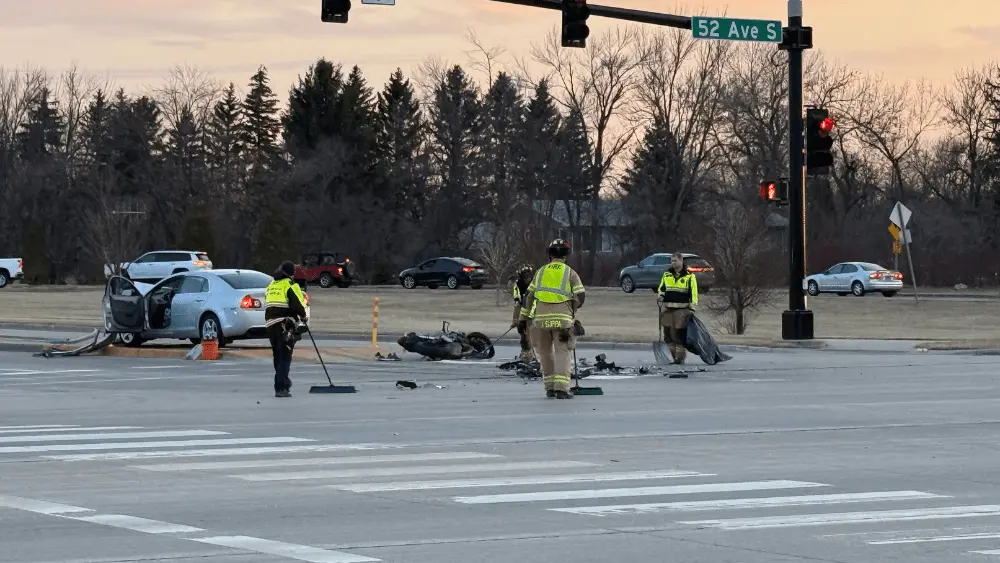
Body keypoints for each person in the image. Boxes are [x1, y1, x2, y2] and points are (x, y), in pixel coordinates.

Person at [519, 239, 586, 399]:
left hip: (541, 320)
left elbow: (529, 297)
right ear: (566, 255)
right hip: (562, 320)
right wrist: (574, 309)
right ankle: (561, 389)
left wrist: (523, 318)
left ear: (550, 255)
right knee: (562, 352)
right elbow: (581, 295)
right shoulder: (569, 272)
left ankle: (549, 388)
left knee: (545, 353)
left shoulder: (540, 272)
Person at [264, 261, 308, 397]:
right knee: (285, 356)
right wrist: (303, 316)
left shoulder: (271, 285)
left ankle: (284, 382)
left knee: (277, 355)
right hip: (284, 324)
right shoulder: (290, 285)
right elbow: (298, 304)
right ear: (292, 273)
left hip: (270, 324)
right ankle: (281, 387)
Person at [656, 251, 698, 365]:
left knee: (678, 334)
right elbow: (661, 288)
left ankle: (680, 358)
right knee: (668, 335)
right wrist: (660, 296)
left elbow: (694, 293)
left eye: (675, 261)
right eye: (672, 261)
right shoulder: (667, 274)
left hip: (682, 309)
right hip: (668, 308)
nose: (673, 263)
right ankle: (674, 356)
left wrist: (692, 308)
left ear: (681, 261)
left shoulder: (689, 276)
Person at [510, 264, 536, 362]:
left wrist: (531, 317)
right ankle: (526, 353)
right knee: (522, 330)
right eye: (525, 275)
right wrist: (515, 320)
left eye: (528, 274)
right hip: (525, 312)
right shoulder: (518, 285)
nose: (527, 277)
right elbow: (517, 304)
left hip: (537, 312)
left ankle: (539, 355)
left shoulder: (536, 284)